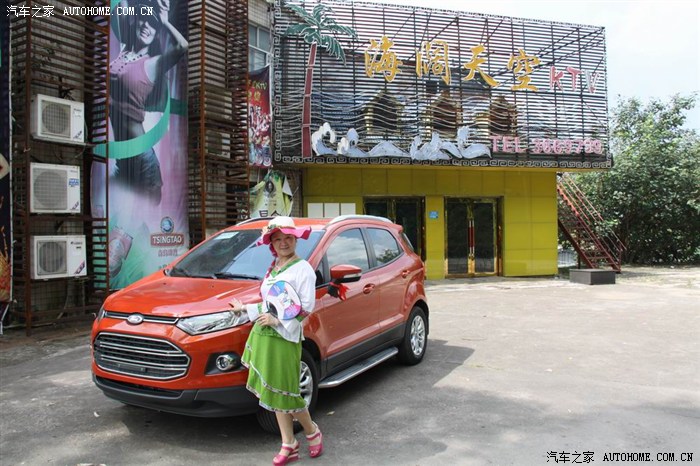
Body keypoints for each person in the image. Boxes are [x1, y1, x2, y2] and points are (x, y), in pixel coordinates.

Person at [229, 216, 324, 465]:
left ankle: (312, 431)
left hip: (284, 338)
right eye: (278, 239)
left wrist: (277, 321)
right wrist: (244, 309)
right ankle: (288, 442)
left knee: (287, 392)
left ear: (296, 239)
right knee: (275, 392)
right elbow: (270, 302)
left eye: (288, 238)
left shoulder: (302, 269)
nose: (283, 243)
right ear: (271, 243)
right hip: (264, 335)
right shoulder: (274, 267)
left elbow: (306, 307)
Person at [109, 0, 187, 204]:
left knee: (147, 214)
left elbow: (182, 46)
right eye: (143, 20)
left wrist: (164, 21)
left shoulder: (153, 63)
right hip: (124, 159)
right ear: (135, 21)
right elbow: (121, 5)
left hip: (142, 161)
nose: (146, 26)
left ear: (157, 32)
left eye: (153, 24)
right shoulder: (123, 51)